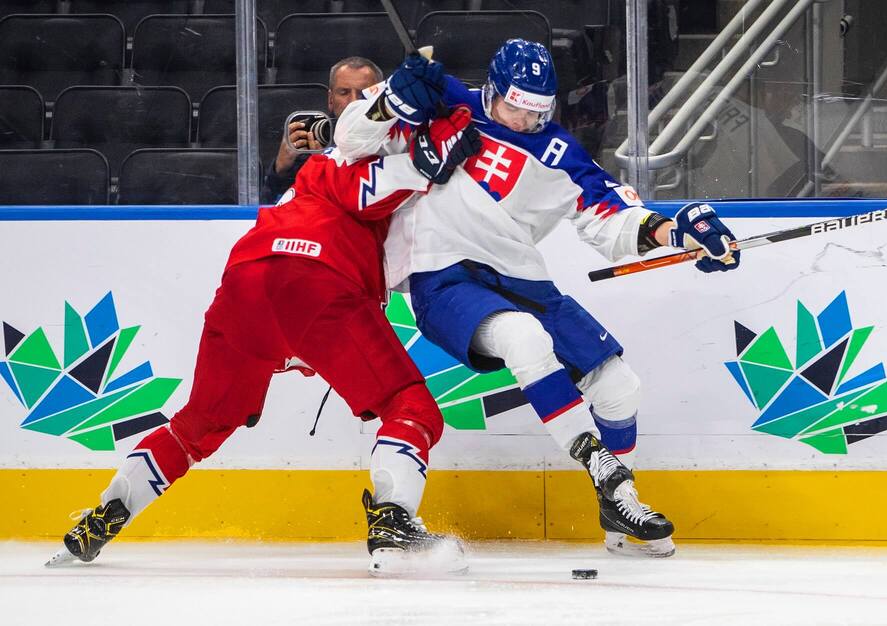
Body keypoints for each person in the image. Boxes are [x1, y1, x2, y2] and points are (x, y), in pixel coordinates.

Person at [47, 55, 482, 576]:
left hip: (244, 281)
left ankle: (101, 519)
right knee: (410, 406)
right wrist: (433, 148)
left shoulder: (324, 159)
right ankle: (392, 525)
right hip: (315, 283)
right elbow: (389, 179)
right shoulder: (346, 160)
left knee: (198, 425)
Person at [339, 39, 741, 558]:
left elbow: (611, 218)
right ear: (493, 89)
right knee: (524, 339)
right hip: (443, 276)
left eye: (539, 110)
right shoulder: (439, 101)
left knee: (621, 387)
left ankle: (620, 517)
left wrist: (676, 232)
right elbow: (349, 142)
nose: (528, 120)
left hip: (522, 279)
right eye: (517, 108)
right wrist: (389, 100)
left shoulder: (559, 153)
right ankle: (601, 468)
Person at [261, 56, 383, 204]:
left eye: (363, 94)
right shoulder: (306, 147)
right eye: (344, 93)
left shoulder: (396, 142)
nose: (353, 102)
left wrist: (325, 165)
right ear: (331, 100)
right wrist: (279, 170)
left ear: (380, 98)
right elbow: (269, 208)